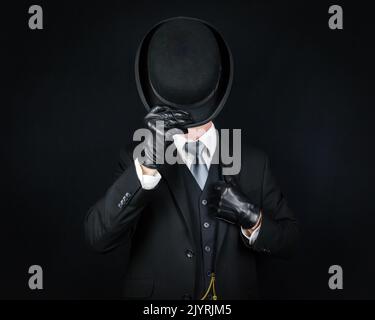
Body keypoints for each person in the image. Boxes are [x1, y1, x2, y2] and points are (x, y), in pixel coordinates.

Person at [85, 17, 299, 300]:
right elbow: (98, 237)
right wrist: (146, 166)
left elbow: (290, 242)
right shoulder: (134, 158)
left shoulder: (253, 162)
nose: (190, 126)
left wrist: (252, 218)